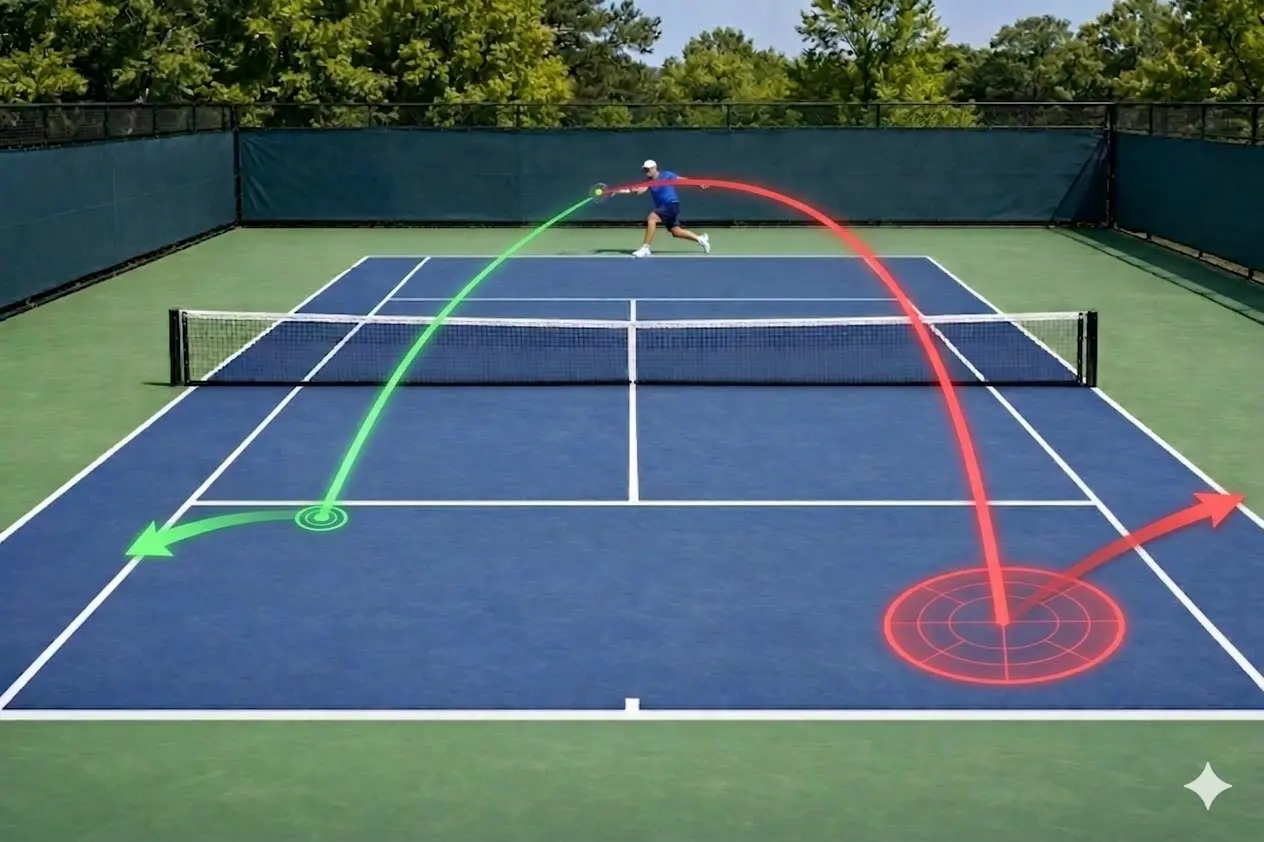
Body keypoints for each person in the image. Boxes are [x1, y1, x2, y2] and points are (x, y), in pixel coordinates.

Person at [626, 160, 711, 258]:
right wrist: (632, 190)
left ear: (654, 168)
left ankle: (645, 248)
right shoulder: (648, 181)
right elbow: (640, 191)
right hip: (664, 207)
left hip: (671, 204)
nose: (646, 171)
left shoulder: (667, 175)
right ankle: (701, 239)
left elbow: (683, 180)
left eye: (648, 169)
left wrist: (699, 183)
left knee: (652, 218)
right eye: (645, 169)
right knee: (676, 231)